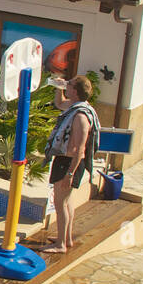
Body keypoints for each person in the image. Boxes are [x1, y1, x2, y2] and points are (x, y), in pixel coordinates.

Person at [43, 76, 99, 255]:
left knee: (60, 204)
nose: (67, 85)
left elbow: (80, 149)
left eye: (70, 84)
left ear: (75, 91)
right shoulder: (75, 107)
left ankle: (60, 245)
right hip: (66, 162)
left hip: (70, 163)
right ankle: (66, 238)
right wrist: (58, 86)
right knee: (67, 202)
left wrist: (69, 174)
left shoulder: (81, 116)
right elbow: (59, 103)